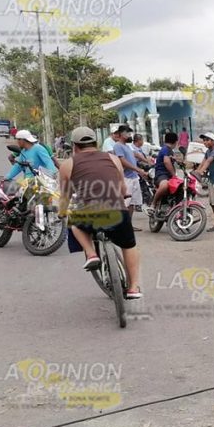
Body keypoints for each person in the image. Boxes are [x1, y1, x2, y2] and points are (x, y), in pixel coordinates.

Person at [58, 126, 143, 299]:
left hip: (88, 213)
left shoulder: (68, 165)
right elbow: (122, 187)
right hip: (117, 211)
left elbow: (65, 196)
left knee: (74, 222)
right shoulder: (113, 159)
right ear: (96, 143)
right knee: (129, 245)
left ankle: (90, 253)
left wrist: (62, 212)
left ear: (74, 146)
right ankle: (133, 288)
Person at [112, 130, 146, 231]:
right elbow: (122, 161)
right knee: (125, 203)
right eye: (128, 134)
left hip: (134, 177)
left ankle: (128, 225)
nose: (130, 136)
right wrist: (138, 170)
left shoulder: (127, 146)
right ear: (122, 135)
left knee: (132, 203)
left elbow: (135, 154)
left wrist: (146, 160)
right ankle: (121, 225)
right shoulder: (118, 146)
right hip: (126, 177)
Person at [151, 132, 180, 210]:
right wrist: (174, 175)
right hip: (161, 175)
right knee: (165, 185)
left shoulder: (170, 150)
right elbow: (166, 162)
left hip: (168, 175)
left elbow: (173, 159)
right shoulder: (165, 149)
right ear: (176, 141)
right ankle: (153, 204)